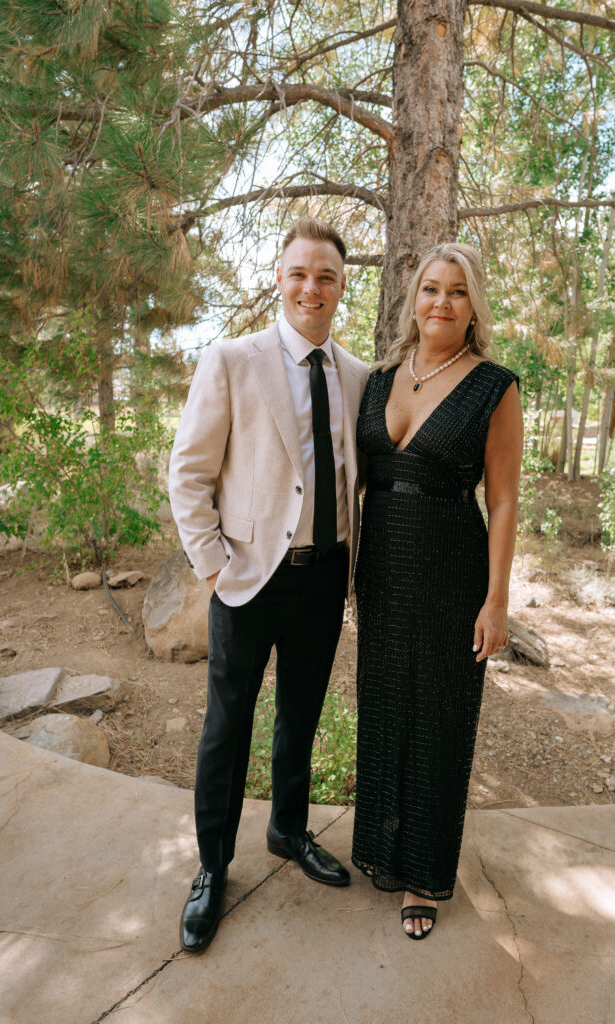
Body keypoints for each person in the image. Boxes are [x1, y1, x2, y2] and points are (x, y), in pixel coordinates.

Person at [169, 216, 370, 953]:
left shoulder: (357, 375)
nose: (310, 287)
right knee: (228, 728)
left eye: (325, 276)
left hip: (323, 581)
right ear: (277, 280)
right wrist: (214, 565)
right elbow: (188, 472)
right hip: (247, 582)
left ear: (340, 287)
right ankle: (211, 868)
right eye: (298, 273)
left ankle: (288, 830)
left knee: (299, 718)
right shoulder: (230, 361)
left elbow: (357, 482)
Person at [351, 242, 523, 939]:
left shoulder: (494, 385)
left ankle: (421, 876)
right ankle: (379, 851)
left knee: (439, 719)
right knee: (387, 708)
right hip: (382, 571)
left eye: (456, 291)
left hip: (453, 569)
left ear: (472, 305)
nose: (440, 303)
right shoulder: (378, 378)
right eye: (429, 288)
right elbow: (353, 479)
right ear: (411, 298)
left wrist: (496, 600)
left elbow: (506, 500)